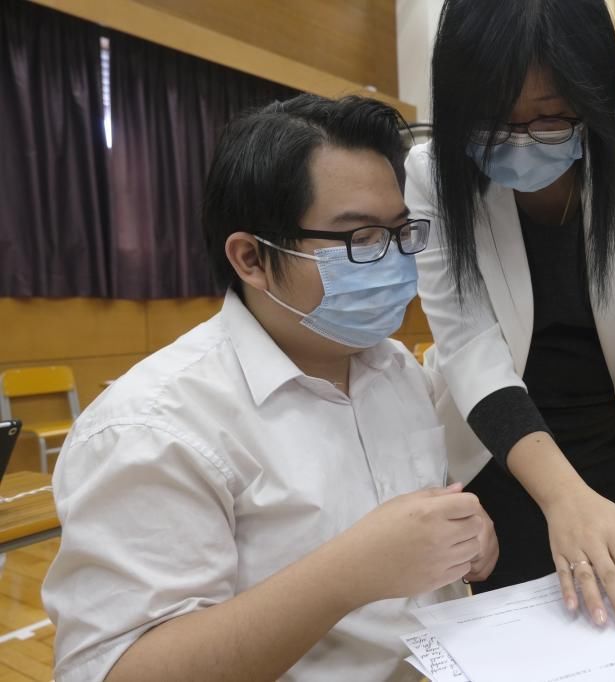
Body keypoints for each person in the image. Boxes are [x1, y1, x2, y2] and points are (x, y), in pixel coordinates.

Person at [41, 94, 498, 682]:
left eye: (401, 232)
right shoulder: (154, 425)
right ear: (251, 258)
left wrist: (466, 539)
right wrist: (346, 573)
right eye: (359, 239)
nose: (393, 263)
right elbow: (120, 669)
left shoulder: (395, 371)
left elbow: (416, 542)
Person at [404, 0, 615, 631]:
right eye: (491, 121)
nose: (519, 143)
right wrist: (563, 498)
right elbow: (468, 347)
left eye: (549, 119)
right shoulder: (432, 175)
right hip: (507, 450)